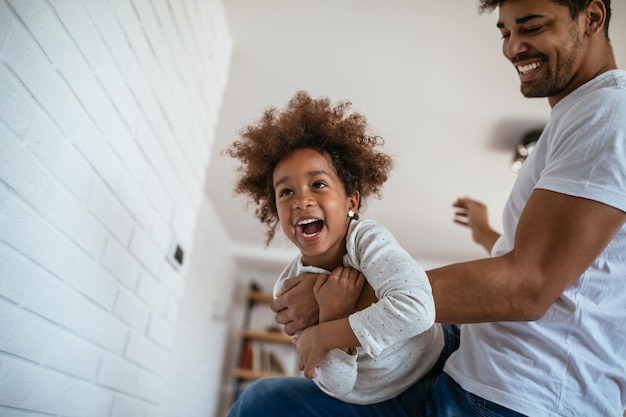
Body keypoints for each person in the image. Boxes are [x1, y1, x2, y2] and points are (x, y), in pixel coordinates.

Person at [234, 0, 626, 416]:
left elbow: (530, 284)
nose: (513, 47)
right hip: (474, 365)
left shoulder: (608, 114)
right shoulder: (578, 117)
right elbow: (563, 264)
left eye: (530, 27)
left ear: (593, 18)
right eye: (505, 32)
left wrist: (335, 303)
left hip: (521, 396)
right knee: (265, 402)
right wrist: (488, 234)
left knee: (267, 406)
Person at [225, 91, 456, 409]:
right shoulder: (288, 289)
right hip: (375, 398)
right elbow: (339, 386)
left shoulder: (366, 240)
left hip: (436, 362)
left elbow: (418, 309)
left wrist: (323, 335)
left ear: (351, 202)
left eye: (318, 184)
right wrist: (333, 314)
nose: (301, 200)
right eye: (286, 192)